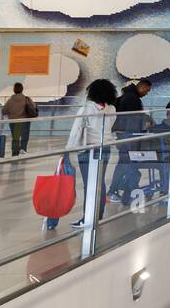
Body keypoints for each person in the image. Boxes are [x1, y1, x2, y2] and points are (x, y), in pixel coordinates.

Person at [46, 78, 118, 230]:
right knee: (100, 182)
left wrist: (67, 149)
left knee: (89, 185)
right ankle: (97, 215)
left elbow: (76, 131)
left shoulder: (86, 108)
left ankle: (88, 218)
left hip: (88, 149)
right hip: (105, 147)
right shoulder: (111, 109)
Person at [110, 80, 152, 205]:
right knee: (126, 164)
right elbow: (133, 119)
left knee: (124, 163)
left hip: (123, 135)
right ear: (142, 87)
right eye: (147, 90)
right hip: (129, 136)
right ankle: (121, 190)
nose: (146, 93)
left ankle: (122, 190)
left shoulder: (126, 96)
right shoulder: (133, 98)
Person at [1, 82, 37, 157]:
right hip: (24, 121)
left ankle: (15, 152)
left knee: (15, 137)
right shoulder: (26, 99)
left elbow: (4, 111)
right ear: (22, 89)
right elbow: (33, 108)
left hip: (14, 121)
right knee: (25, 136)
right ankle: (23, 150)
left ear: (14, 90)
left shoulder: (10, 100)